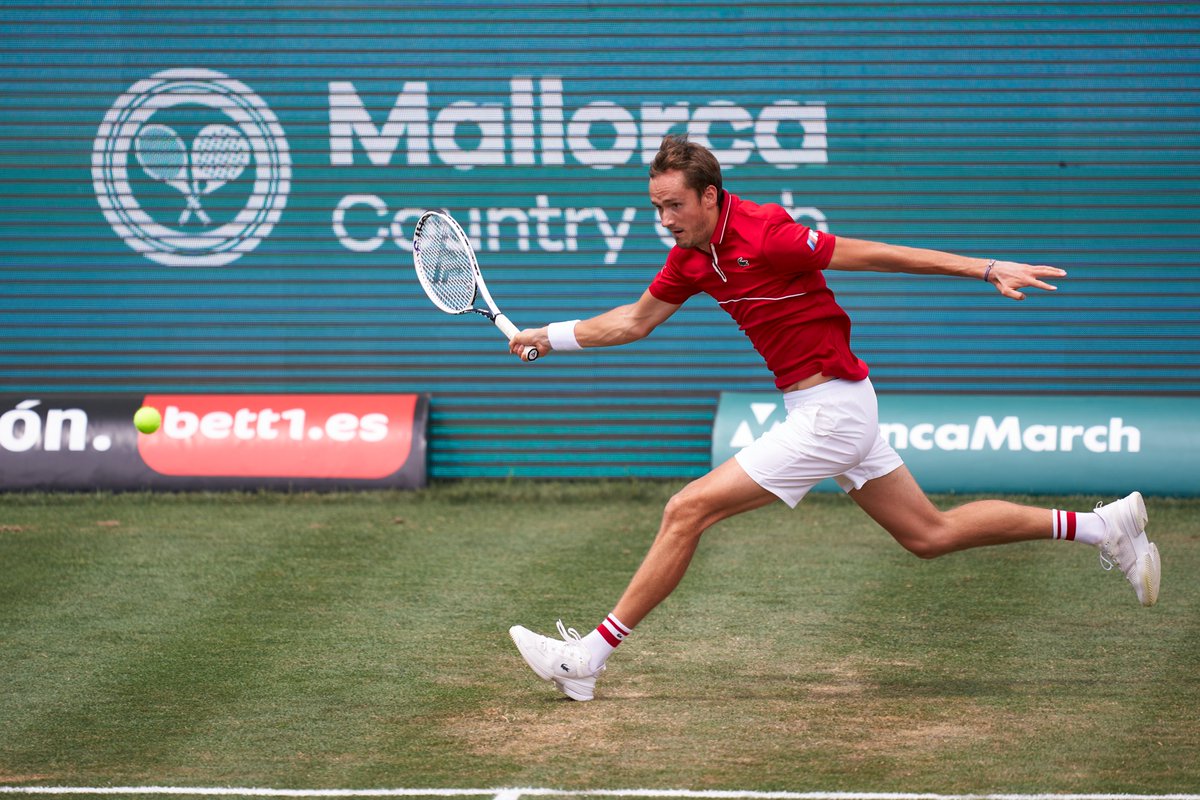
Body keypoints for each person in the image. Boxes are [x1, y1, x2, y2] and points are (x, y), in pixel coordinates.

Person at [506, 134, 1161, 702]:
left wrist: (983, 267)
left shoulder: (766, 233)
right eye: (657, 207)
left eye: (675, 205)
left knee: (687, 509)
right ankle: (1104, 527)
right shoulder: (689, 259)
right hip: (827, 406)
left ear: (710, 196)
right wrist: (550, 335)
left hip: (833, 412)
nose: (666, 219)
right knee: (929, 534)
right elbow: (634, 321)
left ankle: (585, 659)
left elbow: (873, 253)